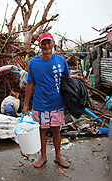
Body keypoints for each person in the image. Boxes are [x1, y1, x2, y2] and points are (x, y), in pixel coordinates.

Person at [22, 32, 70, 168]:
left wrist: (71, 101)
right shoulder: (33, 63)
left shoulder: (61, 61)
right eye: (43, 43)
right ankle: (43, 156)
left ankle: (58, 156)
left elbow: (67, 80)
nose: (46, 45)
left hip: (57, 103)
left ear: (53, 43)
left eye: (49, 42)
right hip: (40, 104)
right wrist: (26, 104)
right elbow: (30, 84)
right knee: (42, 131)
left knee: (56, 130)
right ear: (39, 45)